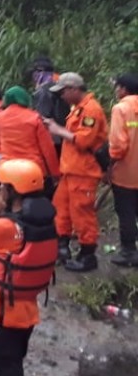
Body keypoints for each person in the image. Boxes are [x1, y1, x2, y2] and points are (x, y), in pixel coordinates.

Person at [0, 158, 58, 376]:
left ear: (12, 190)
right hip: (26, 313)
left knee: (5, 368)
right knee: (14, 362)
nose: (0, 191)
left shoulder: (3, 227)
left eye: (3, 186)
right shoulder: (46, 223)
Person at [44, 72, 108, 271]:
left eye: (63, 91)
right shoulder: (77, 109)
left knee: (82, 213)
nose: (61, 96)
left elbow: (84, 140)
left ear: (73, 89)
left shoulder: (91, 110)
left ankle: (88, 255)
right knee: (60, 209)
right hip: (71, 171)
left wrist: (57, 129)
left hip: (84, 172)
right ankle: (61, 247)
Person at [0, 86, 59, 195]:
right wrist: (55, 174)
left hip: (8, 169)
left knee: (9, 204)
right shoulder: (35, 118)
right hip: (33, 170)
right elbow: (48, 149)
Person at [109, 73, 138, 267]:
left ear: (123, 89)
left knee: (126, 212)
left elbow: (118, 145)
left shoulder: (121, 109)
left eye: (117, 87)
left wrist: (109, 164)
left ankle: (129, 252)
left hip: (127, 173)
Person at [30, 56, 69, 155]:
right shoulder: (60, 87)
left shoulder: (43, 92)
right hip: (64, 134)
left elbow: (42, 117)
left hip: (51, 138)